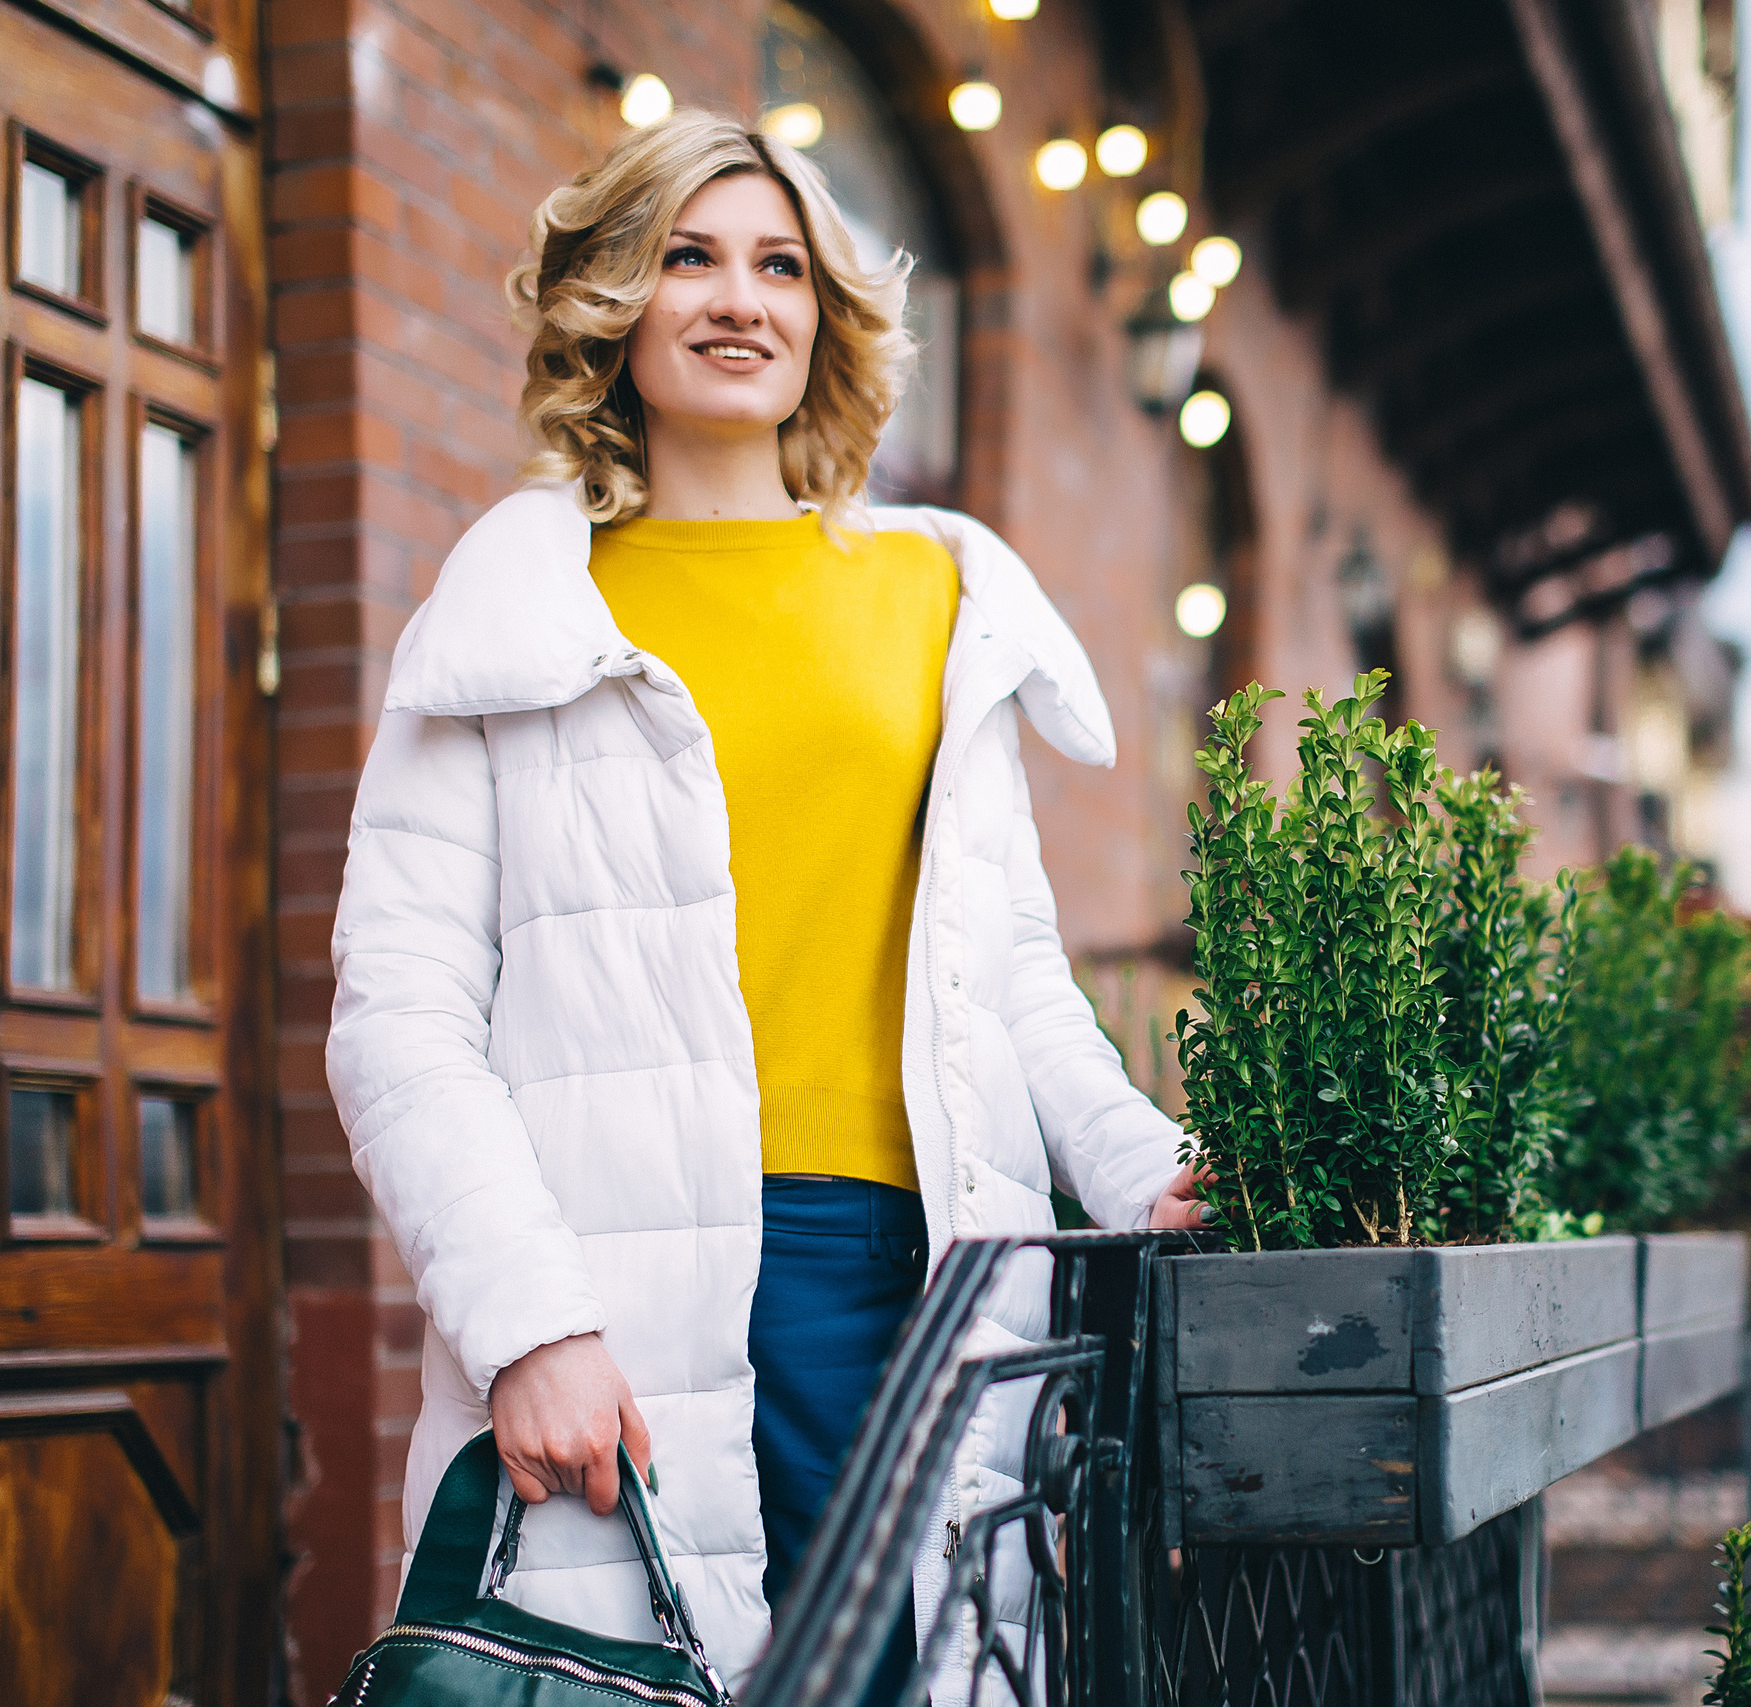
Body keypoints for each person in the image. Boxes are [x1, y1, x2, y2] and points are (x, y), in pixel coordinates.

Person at [323, 107, 1201, 1693]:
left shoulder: (935, 598)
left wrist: (1146, 1174)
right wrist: (527, 1325)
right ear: (613, 305)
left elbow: (1007, 974)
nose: (740, 298)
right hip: (625, 1281)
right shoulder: (514, 610)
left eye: (780, 264)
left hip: (931, 1270)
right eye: (689, 258)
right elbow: (402, 1015)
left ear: (824, 319)